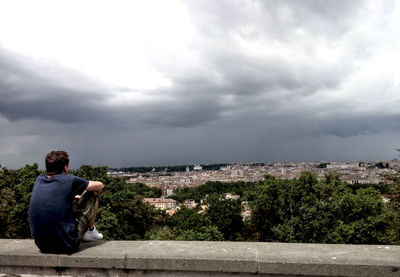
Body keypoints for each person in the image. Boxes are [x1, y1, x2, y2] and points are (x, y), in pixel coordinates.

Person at [29, 151, 104, 254]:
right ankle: (90, 231)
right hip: (67, 244)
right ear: (65, 167)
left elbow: (54, 197)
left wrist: (72, 196)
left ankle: (88, 231)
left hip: (42, 245)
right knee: (92, 193)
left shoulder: (39, 180)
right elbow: (100, 186)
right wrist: (83, 197)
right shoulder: (69, 180)